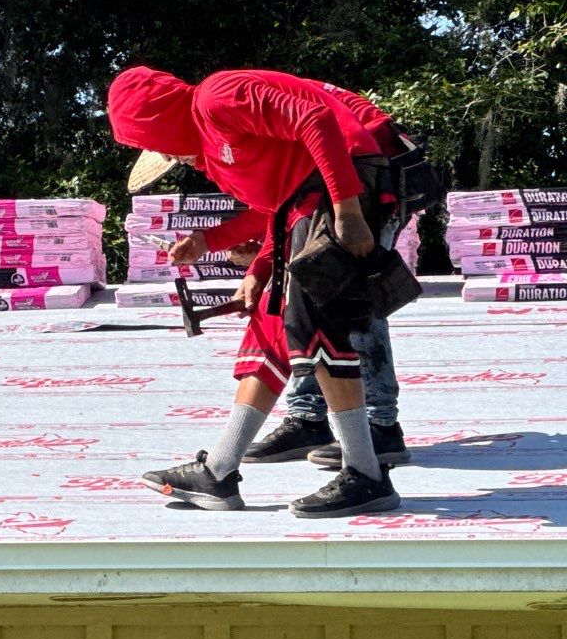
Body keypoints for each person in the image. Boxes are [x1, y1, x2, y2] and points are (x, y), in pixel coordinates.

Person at [107, 66, 410, 518]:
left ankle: (366, 473)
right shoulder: (211, 146)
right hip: (313, 201)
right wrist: (242, 259)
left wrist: (347, 210)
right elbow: (278, 206)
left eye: (154, 140)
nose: (166, 154)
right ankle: (220, 473)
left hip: (348, 185)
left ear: (158, 120)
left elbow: (315, 118)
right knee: (270, 323)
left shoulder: (217, 97)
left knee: (315, 326)